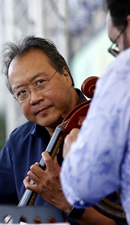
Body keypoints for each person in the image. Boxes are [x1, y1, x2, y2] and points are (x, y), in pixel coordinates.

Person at [0, 36, 117, 224]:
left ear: (66, 75)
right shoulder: (20, 141)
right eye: (22, 93)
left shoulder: (115, 130)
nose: (34, 98)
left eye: (40, 82)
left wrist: (65, 202)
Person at [61, 0, 130, 223]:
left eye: (116, 43)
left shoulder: (124, 70)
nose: (119, 53)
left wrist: (73, 153)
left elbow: (83, 186)